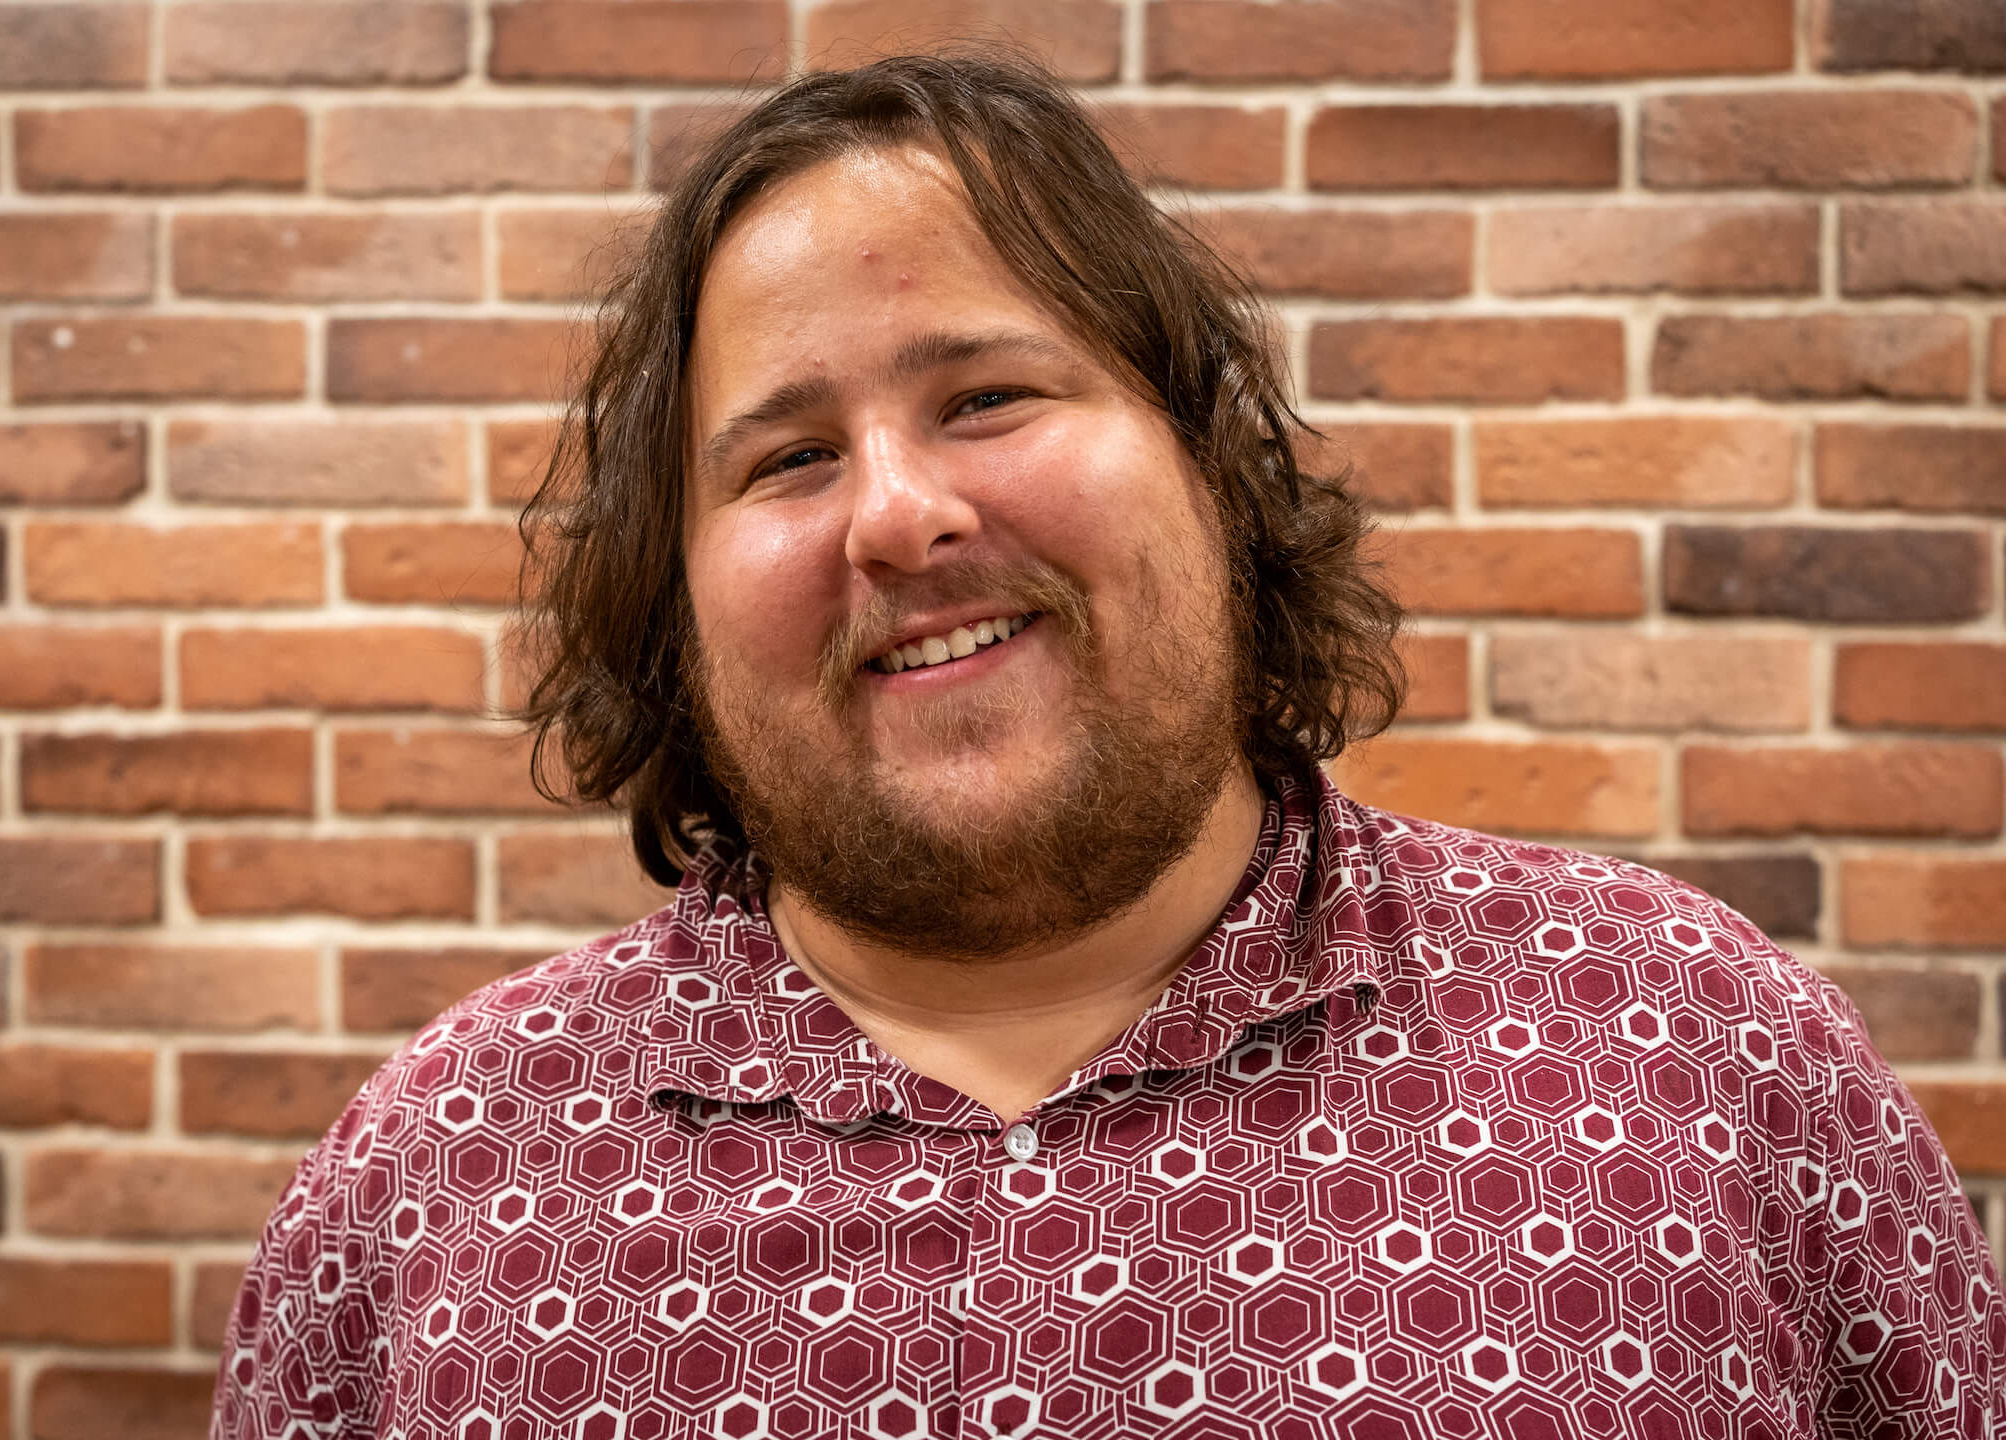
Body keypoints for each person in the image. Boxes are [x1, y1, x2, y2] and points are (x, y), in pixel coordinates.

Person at [212, 53, 2004, 1440]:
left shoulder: (1698, 1056)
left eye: (986, 396)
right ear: (673, 603)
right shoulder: (431, 1190)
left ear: (1205, 464)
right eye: (789, 458)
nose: (898, 514)